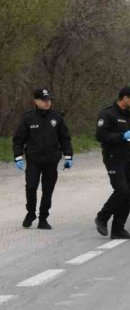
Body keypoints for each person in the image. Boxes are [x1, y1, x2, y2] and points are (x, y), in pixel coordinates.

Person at [12, 88, 74, 229]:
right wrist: (18, 156)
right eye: (44, 100)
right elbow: (18, 139)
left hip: (51, 160)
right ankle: (31, 213)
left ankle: (43, 218)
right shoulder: (28, 118)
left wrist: (68, 156)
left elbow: (65, 138)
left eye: (49, 100)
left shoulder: (57, 118)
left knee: (48, 190)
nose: (47, 103)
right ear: (36, 101)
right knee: (31, 186)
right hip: (34, 160)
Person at [94, 86, 130, 240]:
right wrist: (121, 137)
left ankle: (118, 229)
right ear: (125, 98)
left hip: (128, 157)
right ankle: (102, 217)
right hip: (113, 157)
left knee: (128, 194)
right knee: (121, 190)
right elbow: (101, 135)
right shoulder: (108, 114)